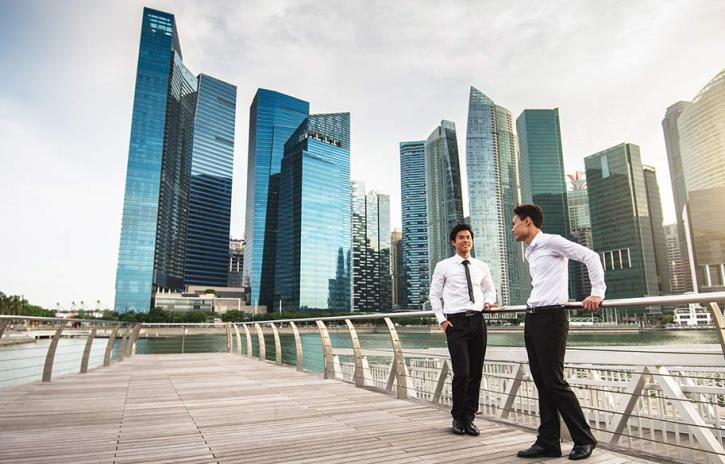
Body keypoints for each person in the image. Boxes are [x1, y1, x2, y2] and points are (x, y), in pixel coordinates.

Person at [511, 204, 605, 461]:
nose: (512, 229)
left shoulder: (552, 241)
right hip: (533, 317)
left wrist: (597, 292)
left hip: (552, 318)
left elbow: (591, 257)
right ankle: (548, 442)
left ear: (527, 222)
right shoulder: (530, 252)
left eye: (514, 223)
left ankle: (584, 439)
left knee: (554, 380)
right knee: (542, 382)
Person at [429, 223, 497, 436]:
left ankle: (470, 418)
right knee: (462, 373)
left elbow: (489, 289)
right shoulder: (444, 266)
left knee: (475, 373)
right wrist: (442, 320)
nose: (465, 240)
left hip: (477, 321)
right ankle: (457, 417)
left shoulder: (481, 266)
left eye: (468, 237)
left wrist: (489, 301)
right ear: (453, 242)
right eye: (461, 237)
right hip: (456, 324)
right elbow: (434, 294)